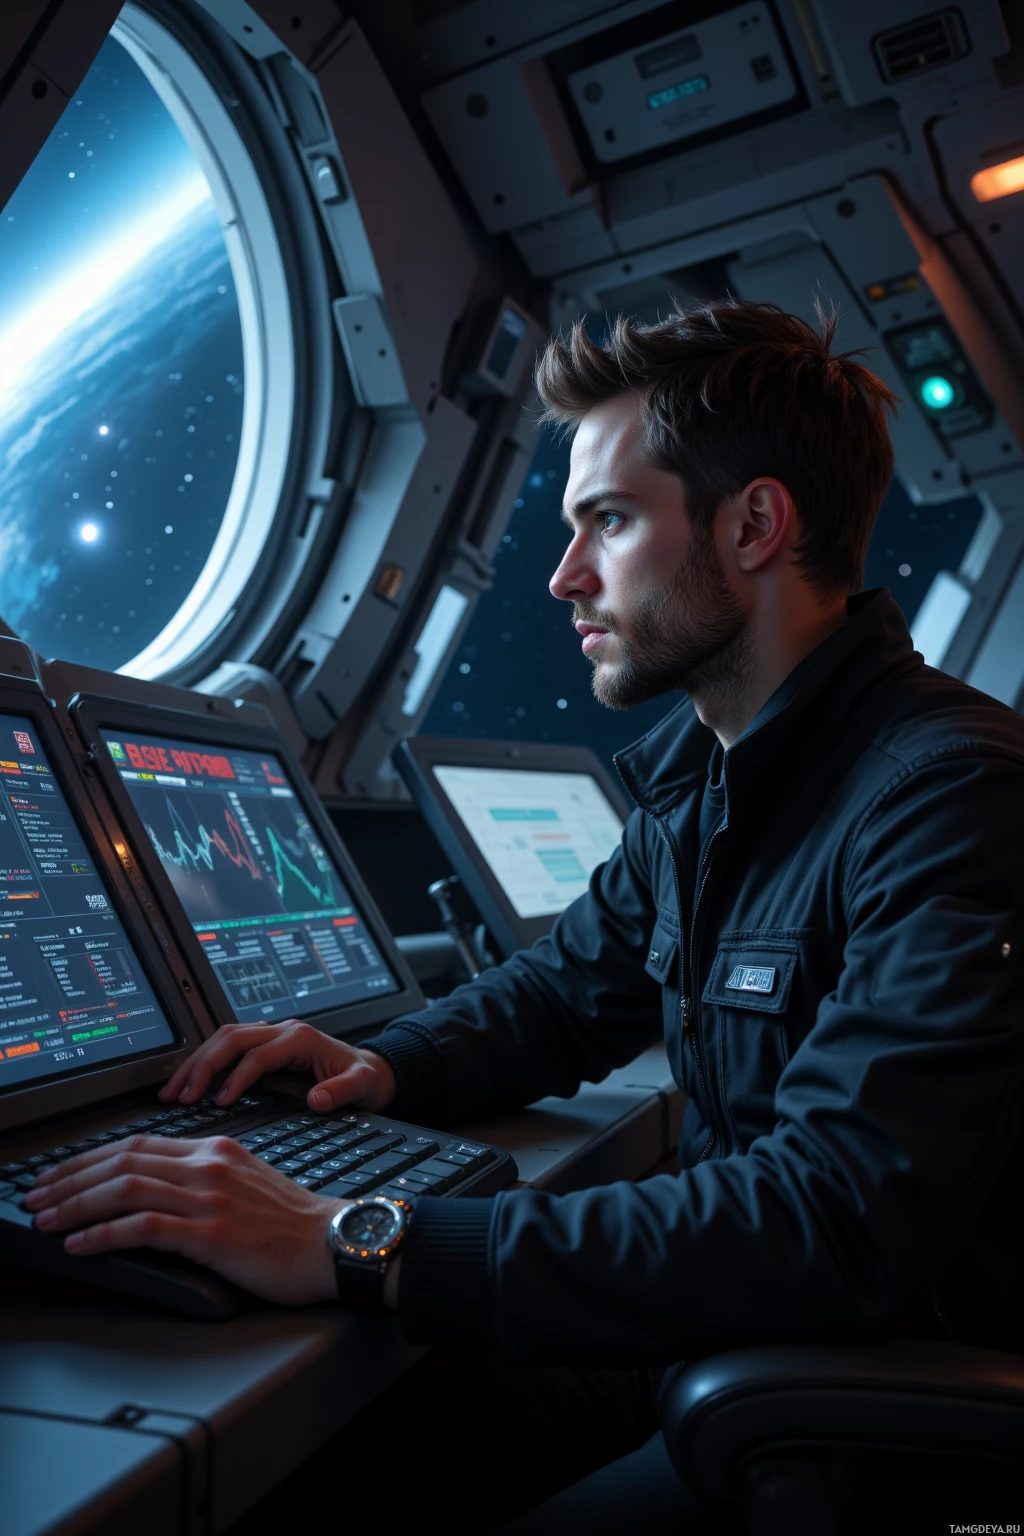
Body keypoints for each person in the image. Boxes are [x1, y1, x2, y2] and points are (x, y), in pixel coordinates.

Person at [25, 301, 1024, 1530]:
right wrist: (377, 1066)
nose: (563, 576)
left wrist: (356, 1235)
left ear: (755, 524)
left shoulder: (950, 793)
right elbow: (564, 995)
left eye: (606, 520)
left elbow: (830, 1218)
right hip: (719, 1337)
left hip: (868, 1418)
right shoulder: (703, 777)